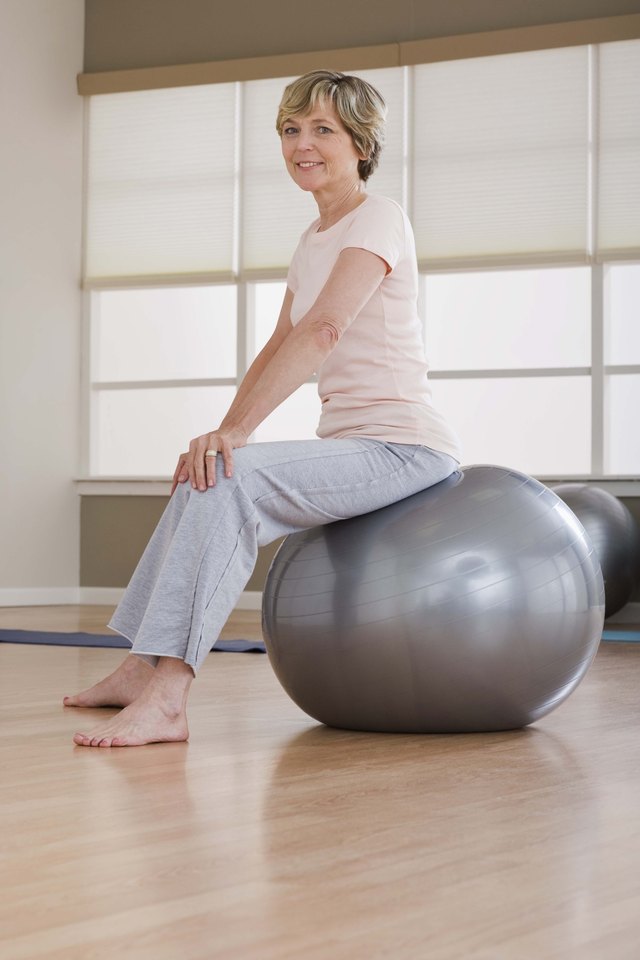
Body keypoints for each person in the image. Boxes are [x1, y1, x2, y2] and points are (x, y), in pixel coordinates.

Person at [65, 69, 461, 747]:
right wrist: (224, 433)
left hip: (405, 448)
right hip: (351, 444)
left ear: (361, 143)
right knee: (210, 470)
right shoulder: (312, 241)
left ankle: (169, 697)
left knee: (231, 477)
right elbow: (279, 343)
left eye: (322, 129)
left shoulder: (380, 216)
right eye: (290, 129)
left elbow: (323, 330)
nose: (302, 144)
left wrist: (239, 435)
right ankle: (138, 668)